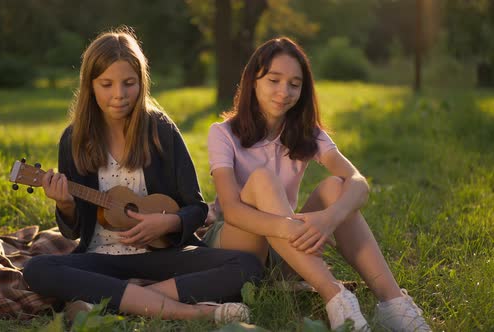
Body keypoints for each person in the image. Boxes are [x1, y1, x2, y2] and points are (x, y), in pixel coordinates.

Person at [23, 28, 263, 324]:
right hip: (101, 258)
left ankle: (123, 299)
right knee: (37, 270)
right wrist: (65, 205)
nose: (119, 95)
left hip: (161, 258)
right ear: (90, 85)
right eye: (106, 84)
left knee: (246, 265)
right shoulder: (73, 140)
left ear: (142, 82)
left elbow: (197, 208)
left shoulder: (161, 131)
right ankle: (192, 311)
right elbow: (72, 233)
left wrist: (168, 222)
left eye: (129, 83)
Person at [203, 37, 431, 331]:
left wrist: (327, 219)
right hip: (235, 246)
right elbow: (232, 211)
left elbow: (358, 182)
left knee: (337, 187)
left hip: (286, 252)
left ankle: (393, 303)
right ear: (253, 81)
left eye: (294, 84)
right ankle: (335, 295)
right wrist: (291, 227)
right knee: (263, 179)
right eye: (274, 80)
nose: (284, 92)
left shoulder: (306, 132)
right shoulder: (222, 133)